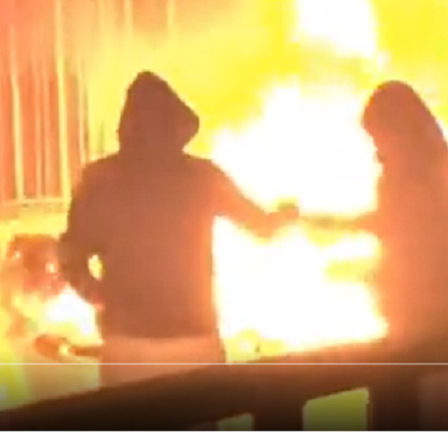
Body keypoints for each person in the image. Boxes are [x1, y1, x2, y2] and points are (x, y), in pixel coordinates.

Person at [57, 72, 298, 382]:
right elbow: (262, 228)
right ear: (179, 127)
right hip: (194, 342)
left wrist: (100, 296)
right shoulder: (202, 177)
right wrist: (286, 215)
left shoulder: (100, 179)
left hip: (126, 346)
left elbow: (70, 255)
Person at [354, 82, 448, 339]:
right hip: (447, 314)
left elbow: (399, 228)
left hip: (429, 321)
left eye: (380, 138)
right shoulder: (446, 172)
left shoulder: (430, 180)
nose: (378, 150)